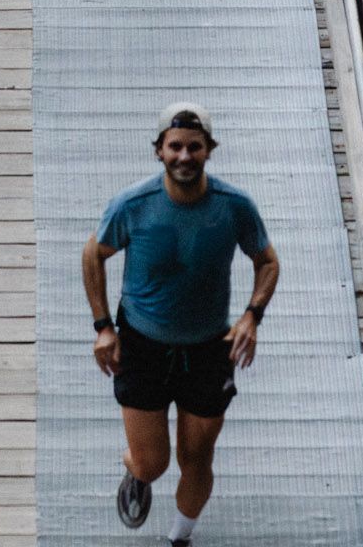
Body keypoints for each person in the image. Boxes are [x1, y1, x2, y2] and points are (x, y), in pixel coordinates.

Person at [83, 103, 279, 539]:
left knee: (197, 456)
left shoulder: (234, 206)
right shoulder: (133, 204)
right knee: (153, 461)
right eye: (175, 147)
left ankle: (180, 536)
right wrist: (103, 327)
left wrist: (252, 315)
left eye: (195, 147)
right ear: (159, 152)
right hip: (143, 345)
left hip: (209, 348)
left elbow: (266, 260)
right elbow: (93, 253)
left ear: (210, 150)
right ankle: (135, 471)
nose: (184, 157)